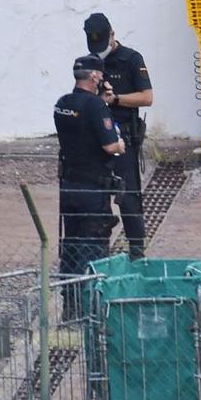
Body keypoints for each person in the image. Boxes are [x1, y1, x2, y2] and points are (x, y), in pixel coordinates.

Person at [53, 53, 126, 306]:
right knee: (93, 248)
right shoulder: (95, 107)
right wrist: (121, 144)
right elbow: (110, 146)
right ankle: (91, 307)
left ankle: (70, 304)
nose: (102, 79)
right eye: (100, 75)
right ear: (94, 76)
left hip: (69, 187)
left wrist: (101, 103)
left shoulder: (63, 103)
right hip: (93, 190)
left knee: (71, 247)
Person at [83, 12, 153, 259]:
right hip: (96, 136)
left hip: (124, 134)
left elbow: (147, 97)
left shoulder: (131, 59)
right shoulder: (89, 61)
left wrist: (117, 99)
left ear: (113, 35)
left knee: (128, 196)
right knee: (96, 194)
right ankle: (98, 251)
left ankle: (136, 251)